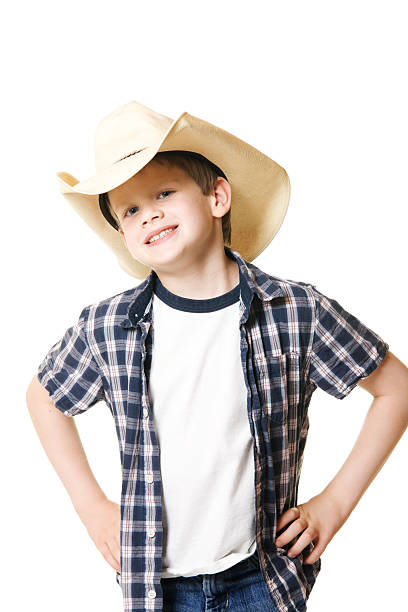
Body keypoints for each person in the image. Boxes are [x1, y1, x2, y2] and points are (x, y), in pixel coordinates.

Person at [26, 100, 408, 612]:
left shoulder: (295, 311)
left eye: (164, 192)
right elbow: (43, 398)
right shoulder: (107, 326)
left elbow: (395, 388)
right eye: (131, 209)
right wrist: (92, 506)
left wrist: (333, 505)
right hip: (157, 586)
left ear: (217, 197)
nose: (150, 214)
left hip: (263, 580)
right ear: (123, 233)